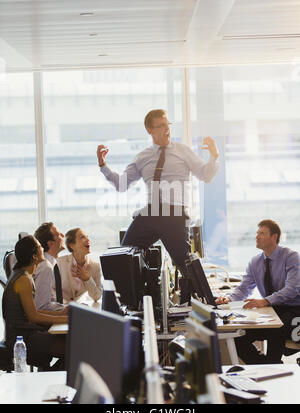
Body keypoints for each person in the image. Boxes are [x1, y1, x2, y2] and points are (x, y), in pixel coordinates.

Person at [97, 109, 219, 282]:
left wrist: (214, 156)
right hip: (151, 213)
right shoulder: (143, 157)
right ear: (150, 130)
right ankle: (137, 294)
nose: (167, 129)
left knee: (185, 262)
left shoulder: (183, 151)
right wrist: (103, 166)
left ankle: (205, 301)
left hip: (174, 214)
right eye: (161, 125)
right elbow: (122, 184)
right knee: (125, 254)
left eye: (167, 124)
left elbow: (206, 175)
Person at [216, 219, 300, 364]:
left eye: (262, 233)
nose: (257, 236)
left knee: (276, 330)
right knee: (237, 335)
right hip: (273, 310)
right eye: (257, 233)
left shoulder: (291, 257)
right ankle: (267, 365)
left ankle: (273, 364)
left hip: (294, 310)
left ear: (274, 237)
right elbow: (244, 288)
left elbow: (292, 289)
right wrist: (229, 299)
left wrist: (265, 301)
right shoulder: (255, 262)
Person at [2, 236, 67, 369]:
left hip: (24, 333)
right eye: (39, 247)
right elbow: (33, 317)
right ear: (34, 256)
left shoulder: (22, 274)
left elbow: (33, 311)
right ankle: (50, 377)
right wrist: (66, 319)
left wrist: (61, 314)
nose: (43, 248)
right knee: (72, 347)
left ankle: (50, 374)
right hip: (21, 338)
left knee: (70, 343)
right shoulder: (24, 279)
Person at [57, 228, 102, 303]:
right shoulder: (60, 262)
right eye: (82, 237)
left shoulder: (95, 266)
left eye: (87, 237)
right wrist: (65, 302)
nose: (88, 240)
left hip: (79, 308)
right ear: (72, 245)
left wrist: (88, 279)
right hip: (60, 307)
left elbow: (97, 296)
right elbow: (51, 290)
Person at [33, 222, 67, 311]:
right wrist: (67, 309)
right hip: (44, 322)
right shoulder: (45, 267)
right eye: (59, 235)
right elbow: (41, 306)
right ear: (51, 244)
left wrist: (66, 306)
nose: (63, 235)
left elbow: (49, 298)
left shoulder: (51, 264)